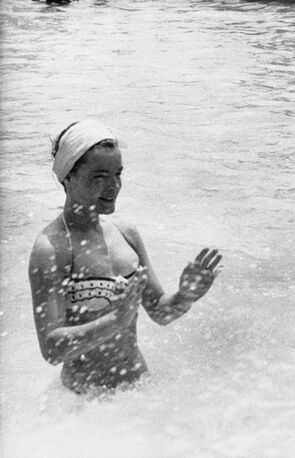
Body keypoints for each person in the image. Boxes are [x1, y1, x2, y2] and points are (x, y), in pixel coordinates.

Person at [28, 119, 222, 393]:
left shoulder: (126, 233)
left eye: (117, 173)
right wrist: (114, 321)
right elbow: (51, 348)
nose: (113, 186)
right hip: (84, 405)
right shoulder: (52, 248)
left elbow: (160, 312)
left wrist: (185, 296)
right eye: (99, 177)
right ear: (68, 177)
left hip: (138, 394)